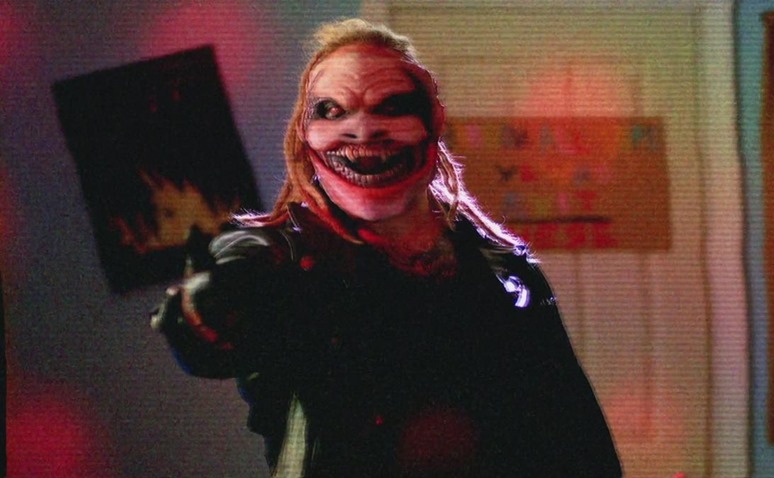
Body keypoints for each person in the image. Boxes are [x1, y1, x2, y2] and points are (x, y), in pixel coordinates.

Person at [151, 18, 622, 478]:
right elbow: (225, 306)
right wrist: (207, 305)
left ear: (431, 121)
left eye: (391, 106)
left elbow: (576, 433)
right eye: (331, 110)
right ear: (305, 134)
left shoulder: (503, 266)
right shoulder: (290, 257)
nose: (361, 130)